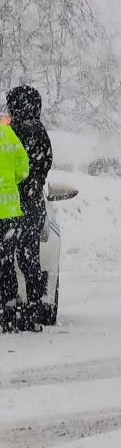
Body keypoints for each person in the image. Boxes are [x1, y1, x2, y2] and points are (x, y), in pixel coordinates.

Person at [6, 85, 52, 331]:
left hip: (10, 207)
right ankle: (32, 308)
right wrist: (35, 182)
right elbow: (46, 162)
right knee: (29, 258)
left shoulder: (8, 133)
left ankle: (9, 307)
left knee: (6, 259)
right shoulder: (40, 133)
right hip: (32, 207)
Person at [0, 115, 30, 332]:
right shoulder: (8, 133)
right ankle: (8, 310)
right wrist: (9, 179)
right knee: (6, 262)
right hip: (9, 211)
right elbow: (23, 169)